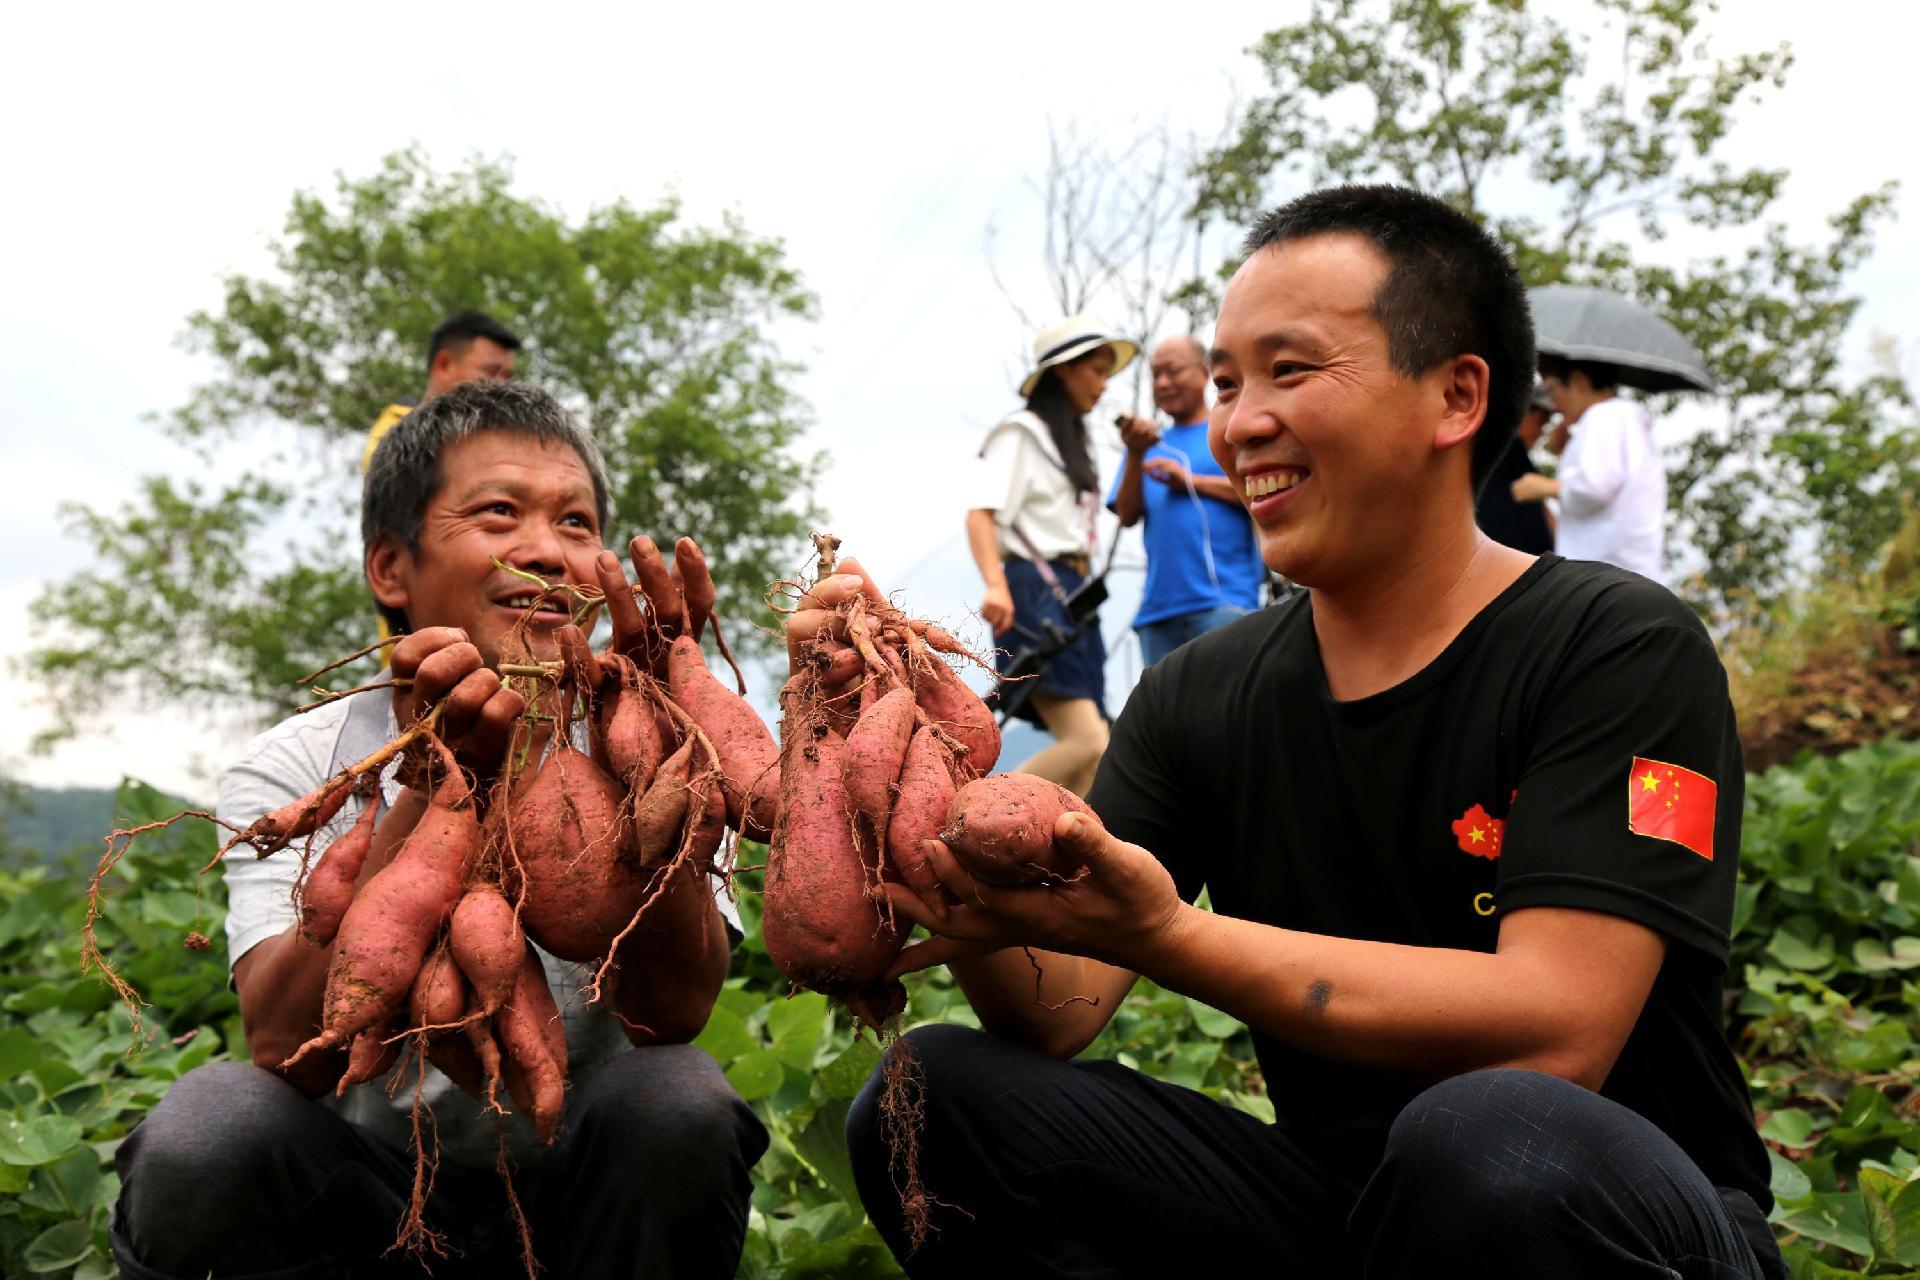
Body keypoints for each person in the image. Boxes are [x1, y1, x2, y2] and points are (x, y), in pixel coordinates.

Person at [797, 186, 1782, 1277]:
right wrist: (913, 792)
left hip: (1603, 1213)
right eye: (1226, 381)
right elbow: (1058, 1001)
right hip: (1342, 1219)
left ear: (1455, 396)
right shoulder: (1200, 692)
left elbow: (1556, 1031)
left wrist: (1170, 934)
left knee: (1489, 1135)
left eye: (1291, 370)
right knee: (938, 1099)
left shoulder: (1615, 645)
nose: (1238, 419)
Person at [111, 382, 767, 1279]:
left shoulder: (653, 739)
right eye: (499, 512)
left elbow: (676, 1011)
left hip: (583, 1183)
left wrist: (658, 750)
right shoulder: (301, 761)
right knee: (210, 1126)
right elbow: (285, 1046)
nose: (548, 551)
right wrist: (431, 786)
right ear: (392, 568)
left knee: (678, 1097)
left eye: (577, 523)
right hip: (369, 1195)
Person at [966, 315, 1135, 797]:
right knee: (1088, 742)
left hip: (1075, 597)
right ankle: (975, 815)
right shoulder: (1021, 434)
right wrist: (995, 584)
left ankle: (1051, 868)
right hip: (1034, 594)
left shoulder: (1073, 441)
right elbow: (980, 514)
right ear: (1064, 370)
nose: (1104, 385)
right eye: (1097, 371)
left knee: (1091, 764)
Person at [1109, 335, 1266, 665]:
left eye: (1173, 371)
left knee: (1226, 714)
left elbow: (1261, 490)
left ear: (1203, 372)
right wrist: (1135, 454)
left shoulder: (1230, 431)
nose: (1163, 383)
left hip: (1224, 606)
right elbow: (1126, 515)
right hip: (1156, 615)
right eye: (1155, 375)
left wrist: (1192, 482)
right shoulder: (1146, 444)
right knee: (1167, 717)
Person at [1512, 355, 1666, 582]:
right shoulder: (1623, 419)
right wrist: (1568, 447)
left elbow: (1594, 486)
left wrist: (1542, 487)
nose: (1554, 404)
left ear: (1579, 381)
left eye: (1553, 389)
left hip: (1603, 574)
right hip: (1629, 572)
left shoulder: (1602, 417)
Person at [362, 309, 523, 472]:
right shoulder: (393, 431)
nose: (503, 386)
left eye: (508, 377)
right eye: (490, 372)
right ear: (444, 364)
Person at [1474, 379, 1556, 554]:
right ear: (1521, 413)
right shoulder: (1510, 450)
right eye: (1541, 420)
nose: (1542, 430)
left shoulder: (1506, 457)